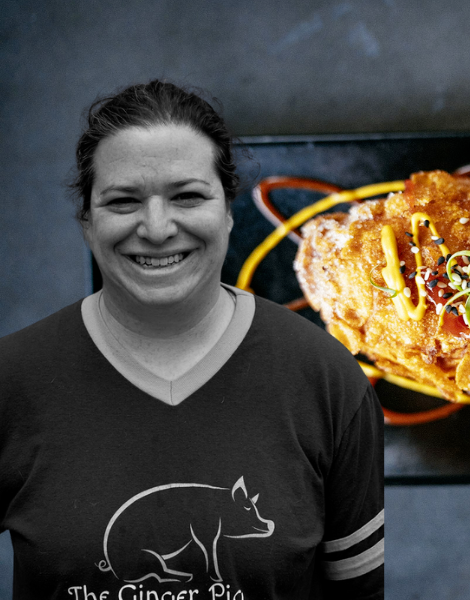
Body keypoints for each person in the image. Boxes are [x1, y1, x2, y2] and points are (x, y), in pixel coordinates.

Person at [0, 81, 383, 598]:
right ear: (87, 222)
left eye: (187, 196)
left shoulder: (327, 380)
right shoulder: (11, 380)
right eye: (123, 201)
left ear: (227, 210)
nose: (157, 228)